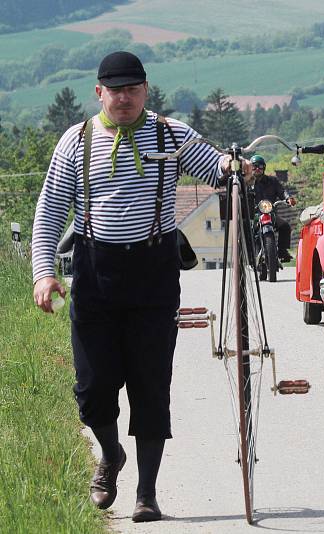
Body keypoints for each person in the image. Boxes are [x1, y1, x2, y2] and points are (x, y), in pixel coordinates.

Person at [30, 51, 245, 523]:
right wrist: (44, 273)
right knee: (93, 389)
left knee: (151, 385)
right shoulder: (76, 142)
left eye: (133, 89)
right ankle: (111, 454)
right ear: (99, 92)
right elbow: (48, 213)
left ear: (145, 91)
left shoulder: (172, 134)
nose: (124, 98)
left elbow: (217, 174)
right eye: (115, 90)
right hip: (95, 273)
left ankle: (147, 494)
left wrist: (237, 169)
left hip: (153, 274)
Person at [249, 154, 296, 262]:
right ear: (250, 168)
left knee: (285, 226)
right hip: (253, 215)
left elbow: (282, 191)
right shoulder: (247, 183)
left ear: (264, 168)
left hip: (270, 214)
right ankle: (249, 255)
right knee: (247, 231)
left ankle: (282, 251)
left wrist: (288, 198)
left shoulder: (272, 181)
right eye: (254, 166)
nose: (257, 169)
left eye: (260, 166)